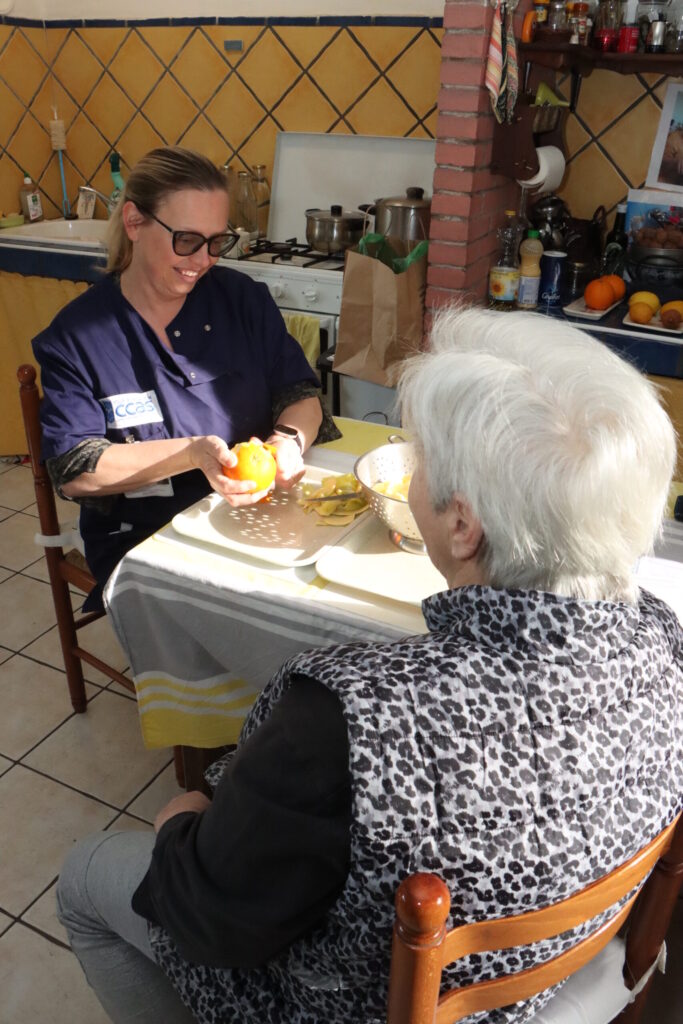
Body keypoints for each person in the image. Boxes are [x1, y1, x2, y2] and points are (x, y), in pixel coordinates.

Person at [56, 306, 682, 1024]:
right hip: (544, 977)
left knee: (85, 878)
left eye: (418, 460)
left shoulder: (346, 715)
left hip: (351, 1007)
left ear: (459, 524)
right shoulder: (662, 637)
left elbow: (212, 921)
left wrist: (179, 826)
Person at [32, 146, 337, 609]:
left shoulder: (242, 301)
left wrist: (288, 443)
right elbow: (76, 469)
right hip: (145, 539)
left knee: (328, 599)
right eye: (188, 239)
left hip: (257, 514)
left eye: (217, 242)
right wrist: (193, 454)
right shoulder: (78, 337)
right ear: (134, 223)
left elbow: (300, 395)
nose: (204, 259)